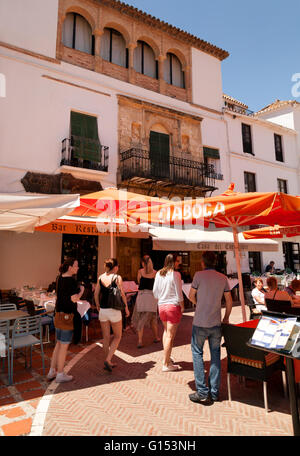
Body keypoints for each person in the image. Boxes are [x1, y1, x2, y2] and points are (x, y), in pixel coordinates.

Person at [188, 251, 232, 405]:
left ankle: (201, 392)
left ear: (203, 262)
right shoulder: (222, 278)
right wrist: (226, 317)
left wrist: (197, 303)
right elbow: (229, 300)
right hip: (215, 323)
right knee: (215, 356)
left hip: (200, 322)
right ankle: (214, 392)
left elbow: (190, 295)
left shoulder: (198, 276)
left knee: (197, 354)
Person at [47, 258, 84, 383]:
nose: (78, 268)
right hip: (67, 316)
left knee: (58, 343)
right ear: (70, 267)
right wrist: (82, 291)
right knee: (64, 345)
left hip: (57, 314)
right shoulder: (71, 281)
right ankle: (60, 374)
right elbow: (74, 299)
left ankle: (52, 371)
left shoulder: (59, 278)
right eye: (76, 265)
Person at [94, 258, 130, 372]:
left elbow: (96, 294)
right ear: (115, 267)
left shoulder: (100, 277)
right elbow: (122, 294)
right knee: (118, 336)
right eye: (118, 266)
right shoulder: (117, 277)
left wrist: (98, 305)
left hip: (103, 311)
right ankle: (108, 359)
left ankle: (107, 361)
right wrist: (126, 308)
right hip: (114, 310)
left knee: (105, 338)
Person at [153, 253, 184, 372]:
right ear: (173, 262)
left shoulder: (159, 273)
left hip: (161, 306)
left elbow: (155, 293)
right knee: (170, 336)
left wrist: (162, 298)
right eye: (177, 261)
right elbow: (179, 292)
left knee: (166, 333)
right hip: (172, 306)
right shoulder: (176, 274)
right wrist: (182, 306)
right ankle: (166, 363)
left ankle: (167, 358)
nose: (179, 263)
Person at [132, 255, 160, 348]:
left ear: (143, 263)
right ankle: (156, 337)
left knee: (141, 318)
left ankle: (140, 340)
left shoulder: (140, 272)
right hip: (151, 297)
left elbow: (139, 283)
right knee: (153, 318)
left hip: (142, 296)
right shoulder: (156, 273)